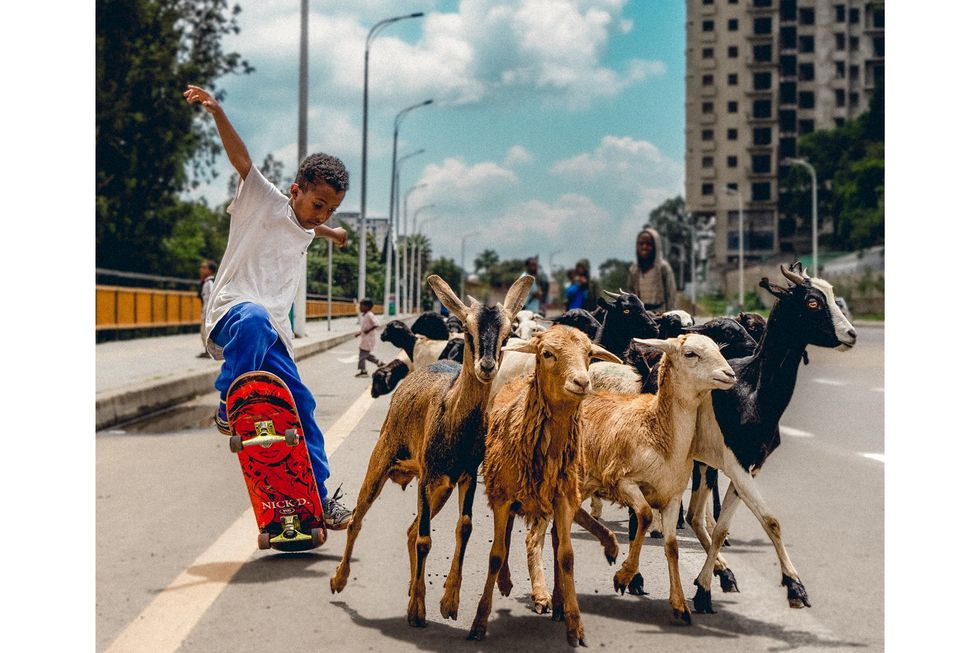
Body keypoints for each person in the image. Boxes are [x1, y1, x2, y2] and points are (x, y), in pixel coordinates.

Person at [183, 84, 353, 529]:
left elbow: (315, 229)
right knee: (256, 318)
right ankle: (229, 402)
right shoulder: (264, 198)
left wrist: (334, 233)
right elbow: (242, 161)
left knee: (304, 407)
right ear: (295, 190)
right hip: (231, 317)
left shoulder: (310, 225)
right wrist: (217, 110)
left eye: (330, 209)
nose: (321, 215)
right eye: (317, 204)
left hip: (274, 335)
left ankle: (317, 496)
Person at [626, 226, 677, 312]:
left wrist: (670, 314)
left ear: (655, 246)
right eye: (641, 244)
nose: (644, 247)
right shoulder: (634, 270)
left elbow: (671, 295)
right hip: (641, 314)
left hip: (660, 313)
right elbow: (630, 294)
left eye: (648, 244)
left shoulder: (663, 268)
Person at [355, 299, 384, 377]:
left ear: (367, 307)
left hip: (369, 340)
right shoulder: (366, 315)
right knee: (366, 355)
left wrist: (368, 330)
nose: (360, 307)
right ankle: (379, 362)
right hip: (366, 339)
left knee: (362, 354)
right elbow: (365, 328)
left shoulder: (370, 314)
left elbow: (377, 324)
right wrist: (359, 333)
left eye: (361, 306)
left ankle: (363, 371)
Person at [197, 259, 218, 358]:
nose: (201, 270)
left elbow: (211, 298)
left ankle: (208, 352)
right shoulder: (205, 282)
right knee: (204, 333)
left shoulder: (209, 283)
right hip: (206, 312)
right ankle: (207, 351)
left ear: (210, 270)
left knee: (205, 332)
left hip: (208, 313)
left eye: (204, 268)